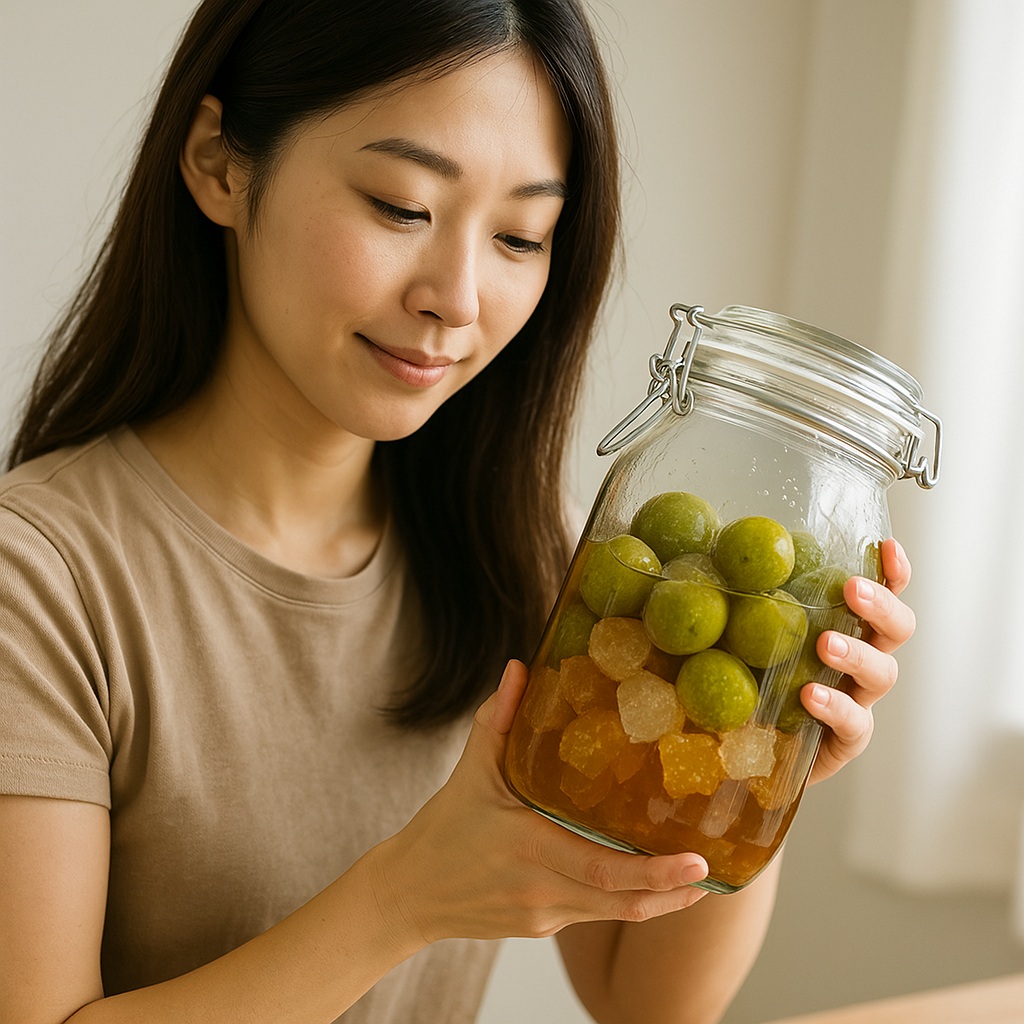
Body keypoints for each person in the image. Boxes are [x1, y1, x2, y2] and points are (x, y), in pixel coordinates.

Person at [0, 1, 916, 1022]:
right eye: (400, 205)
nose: (459, 296)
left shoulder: (538, 554)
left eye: (521, 235)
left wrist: (757, 757)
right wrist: (407, 895)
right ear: (219, 163)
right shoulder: (38, 578)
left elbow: (646, 1005)